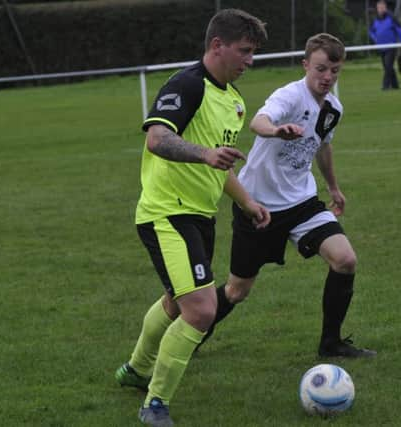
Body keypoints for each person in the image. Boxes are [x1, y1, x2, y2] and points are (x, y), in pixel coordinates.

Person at [114, 9, 269, 427]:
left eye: (253, 53)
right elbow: (158, 138)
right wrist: (203, 153)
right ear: (217, 45)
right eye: (244, 51)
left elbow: (220, 165)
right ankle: (155, 404)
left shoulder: (234, 100)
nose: (249, 61)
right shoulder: (186, 85)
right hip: (167, 213)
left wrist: (247, 202)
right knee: (200, 310)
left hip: (200, 216)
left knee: (175, 300)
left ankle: (135, 369)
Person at [200, 33, 377, 359]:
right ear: (306, 64)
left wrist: (333, 187)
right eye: (321, 69)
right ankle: (191, 335)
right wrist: (276, 130)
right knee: (237, 290)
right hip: (258, 206)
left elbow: (322, 146)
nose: (327, 78)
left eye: (335, 71)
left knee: (345, 260)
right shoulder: (290, 96)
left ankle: (331, 343)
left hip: (303, 202)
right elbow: (258, 121)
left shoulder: (333, 108)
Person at [369, 0, 401, 90]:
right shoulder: (375, 20)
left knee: (388, 66)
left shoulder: (392, 18)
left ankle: (385, 86)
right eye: (379, 8)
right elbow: (371, 31)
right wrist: (375, 38)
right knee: (387, 67)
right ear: (377, 9)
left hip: (391, 47)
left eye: (382, 7)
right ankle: (395, 85)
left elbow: (399, 31)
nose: (380, 9)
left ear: (385, 8)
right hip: (381, 47)